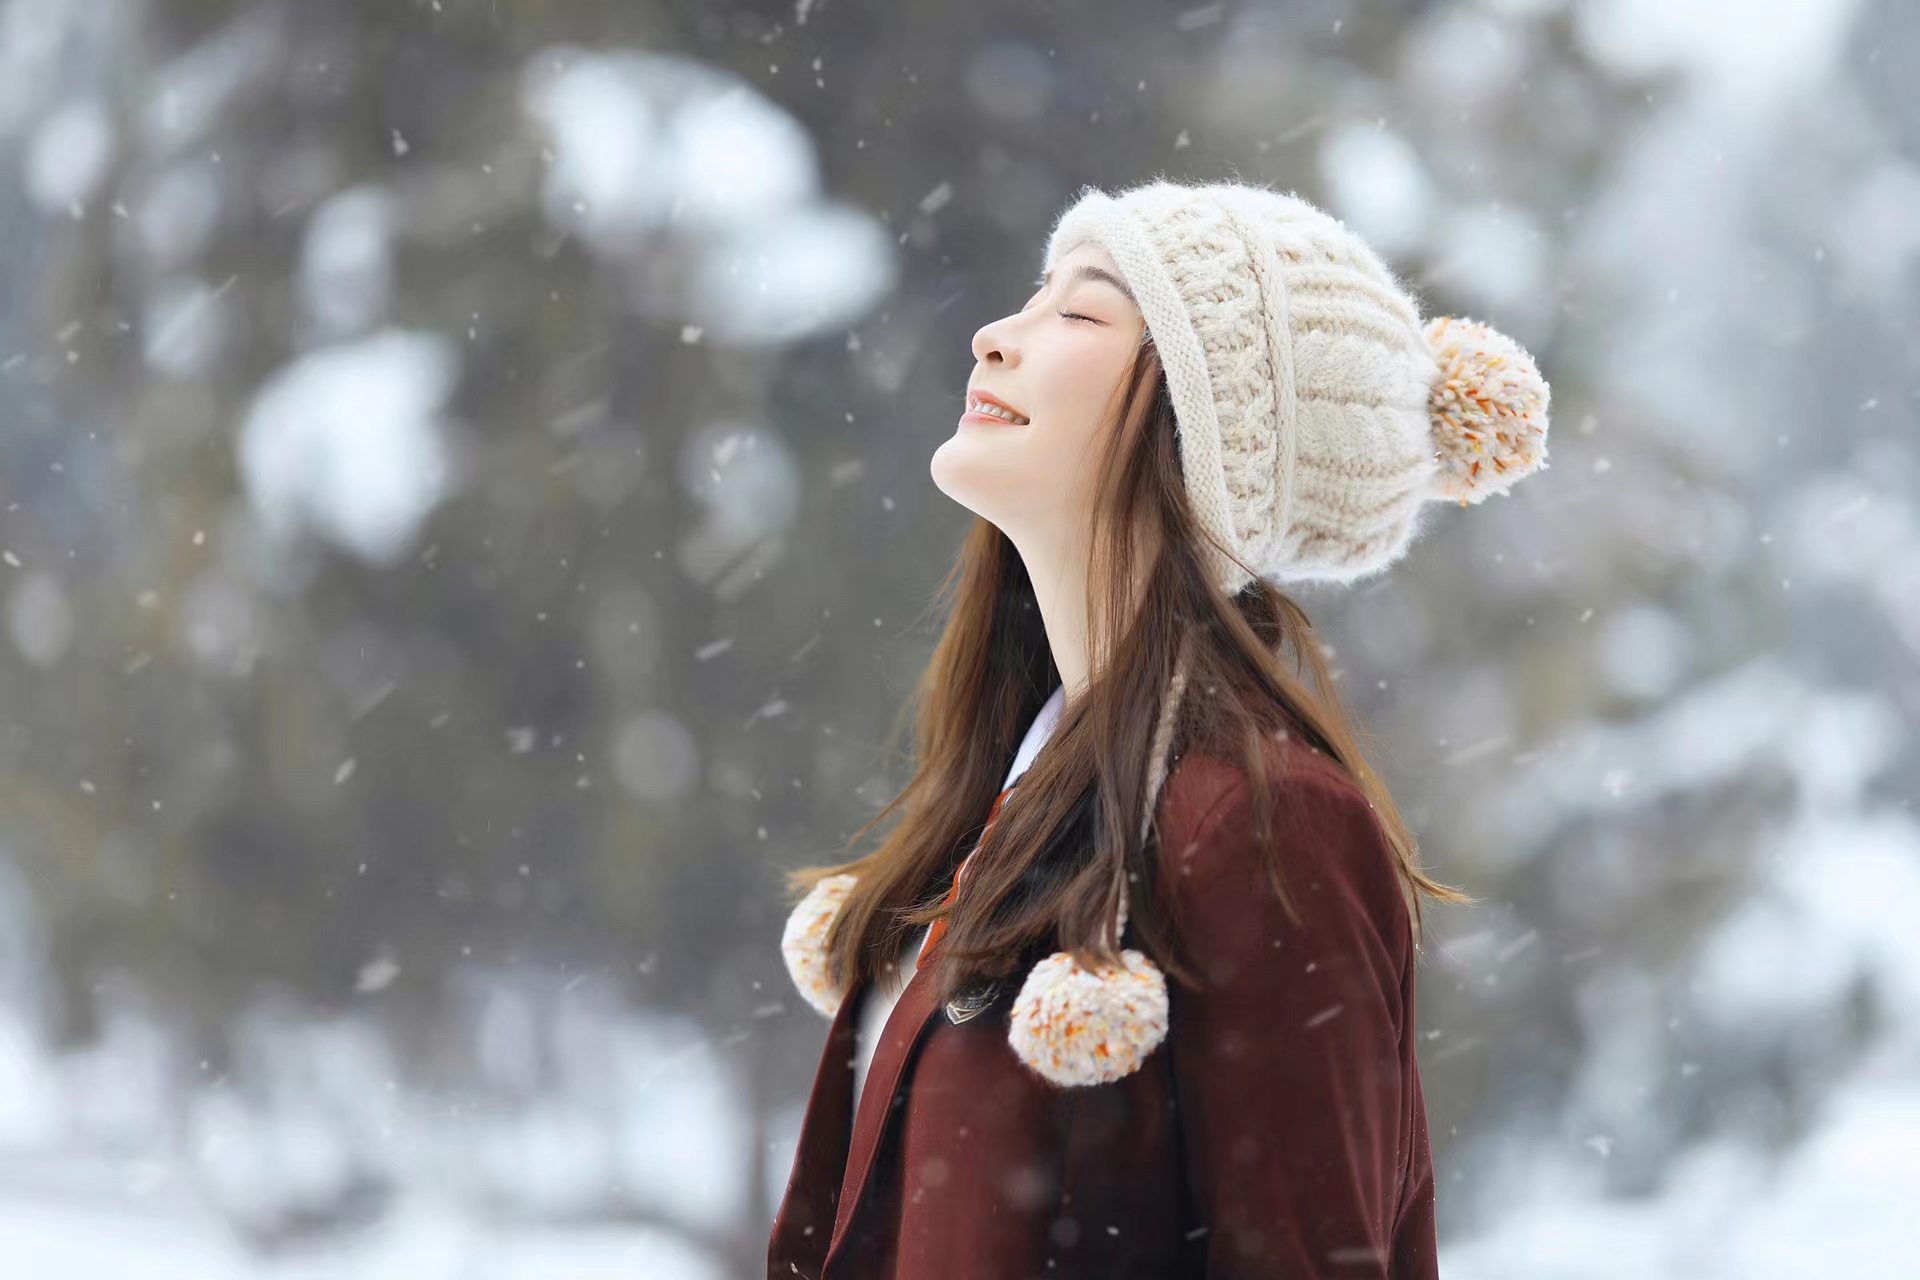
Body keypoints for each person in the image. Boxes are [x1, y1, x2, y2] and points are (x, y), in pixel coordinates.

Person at [769, 177, 1551, 1279]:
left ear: (1209, 432)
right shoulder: (1002, 813)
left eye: (1080, 310)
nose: (996, 336)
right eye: (1033, 296)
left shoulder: (1261, 826)